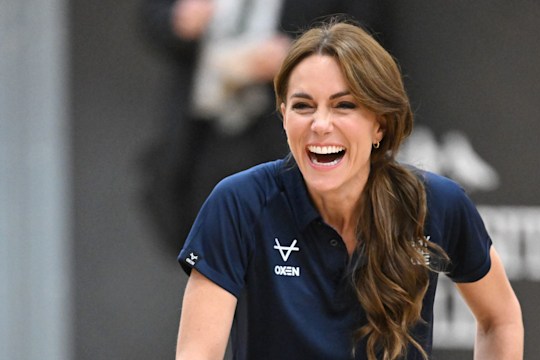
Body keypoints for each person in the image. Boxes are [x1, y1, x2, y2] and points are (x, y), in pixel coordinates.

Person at [176, 20, 524, 360]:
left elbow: (500, 320)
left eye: (344, 105)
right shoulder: (239, 202)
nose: (320, 125)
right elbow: (197, 352)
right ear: (283, 117)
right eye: (303, 106)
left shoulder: (435, 203)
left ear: (380, 125)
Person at [137, 0, 386, 257]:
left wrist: (299, 59)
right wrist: (178, 20)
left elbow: (363, 34)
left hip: (284, 134)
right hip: (203, 132)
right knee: (210, 258)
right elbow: (154, 15)